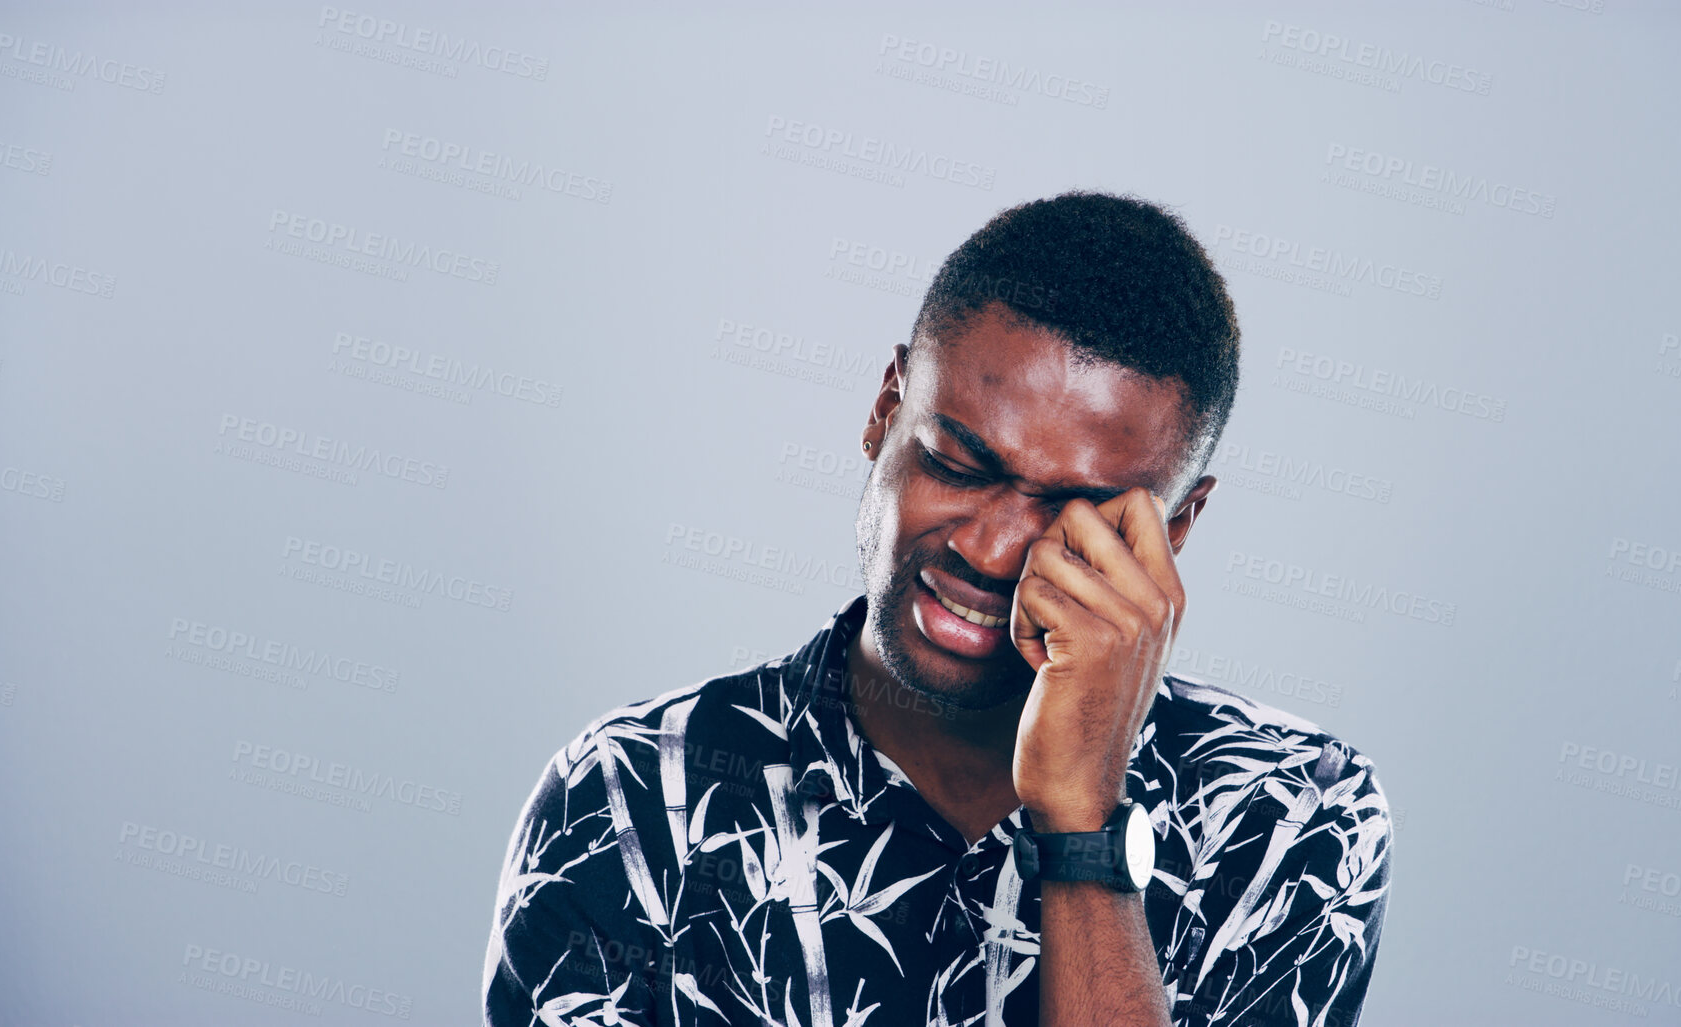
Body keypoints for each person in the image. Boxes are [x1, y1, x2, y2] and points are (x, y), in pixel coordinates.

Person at [483, 191, 1393, 1027]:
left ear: (1175, 529)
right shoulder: (634, 799)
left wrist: (1082, 823)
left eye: (1069, 514)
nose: (990, 551)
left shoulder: (1289, 818)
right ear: (886, 409)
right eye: (958, 465)